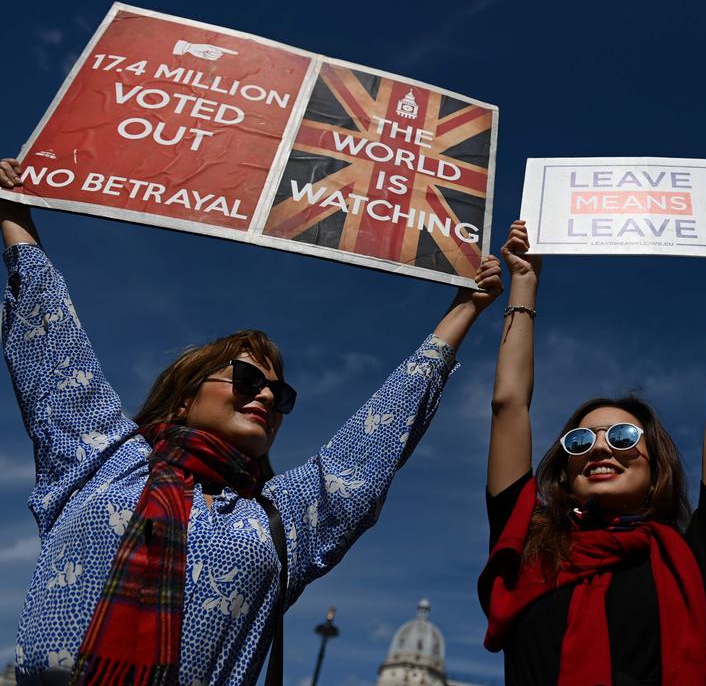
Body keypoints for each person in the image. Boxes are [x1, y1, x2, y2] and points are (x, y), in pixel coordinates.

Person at [0, 157, 503, 686]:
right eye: (245, 379)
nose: (265, 394)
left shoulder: (280, 518)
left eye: (279, 393)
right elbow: (50, 338)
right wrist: (11, 212)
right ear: (181, 399)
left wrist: (464, 310)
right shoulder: (103, 460)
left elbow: (373, 442)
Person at [478, 219, 706, 685]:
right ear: (565, 466)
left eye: (622, 437)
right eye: (580, 441)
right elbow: (508, 405)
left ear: (656, 464)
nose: (600, 447)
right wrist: (525, 279)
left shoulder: (697, 556)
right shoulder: (528, 547)